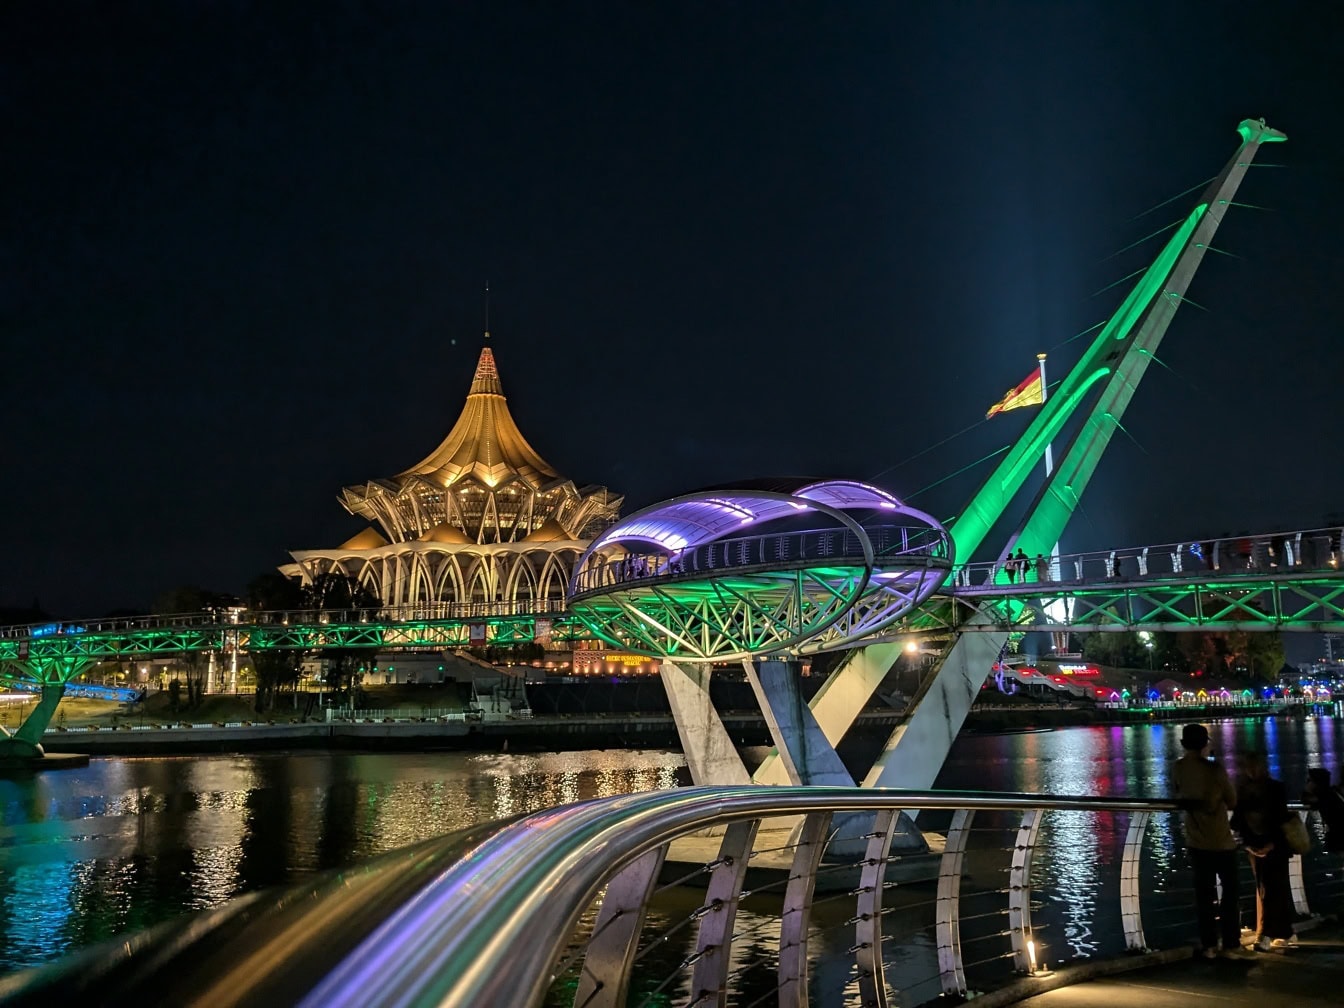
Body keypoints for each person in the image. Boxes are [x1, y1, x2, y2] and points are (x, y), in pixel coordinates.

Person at [1171, 723, 1248, 958]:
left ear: (1184, 744)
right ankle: (1231, 944)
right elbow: (1232, 800)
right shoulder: (1214, 770)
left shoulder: (1178, 768)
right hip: (1221, 841)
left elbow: (1177, 794)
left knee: (1203, 896)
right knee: (1230, 894)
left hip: (1195, 840)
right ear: (1205, 744)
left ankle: (1209, 946)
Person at [1231, 751, 1296, 951]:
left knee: (1270, 888)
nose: (1251, 770)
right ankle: (1280, 932)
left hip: (1265, 845)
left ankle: (1268, 933)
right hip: (1263, 845)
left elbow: (1237, 821)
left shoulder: (1245, 791)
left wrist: (1253, 843)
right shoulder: (1273, 788)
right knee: (1270, 888)